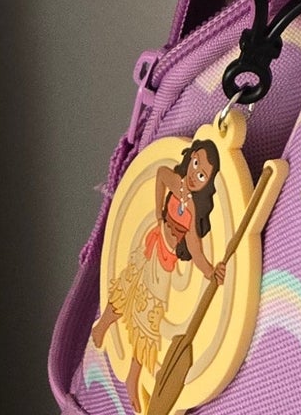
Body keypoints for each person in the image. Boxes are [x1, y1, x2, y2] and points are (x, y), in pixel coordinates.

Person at [90, 138, 222, 413]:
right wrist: (160, 215)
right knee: (130, 287)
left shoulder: (196, 208)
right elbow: (161, 176)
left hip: (165, 264)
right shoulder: (178, 183)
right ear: (190, 158)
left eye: (202, 174)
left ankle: (133, 376)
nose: (195, 174)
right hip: (153, 244)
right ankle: (104, 324)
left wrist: (211, 271)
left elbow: (195, 248)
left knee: (148, 319)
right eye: (195, 163)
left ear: (209, 182)